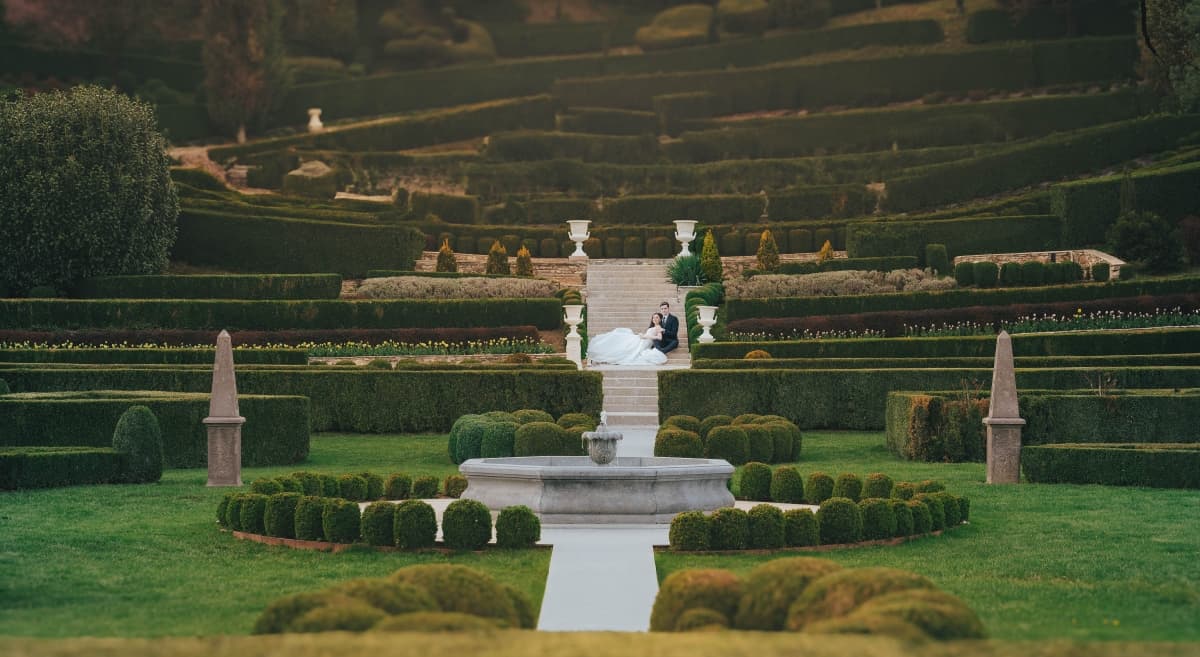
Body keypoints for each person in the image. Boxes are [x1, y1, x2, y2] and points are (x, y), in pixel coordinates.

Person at [585, 313, 669, 366]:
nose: (654, 319)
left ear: (660, 319)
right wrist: (643, 335)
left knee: (626, 347)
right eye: (653, 317)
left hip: (644, 343)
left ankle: (603, 359)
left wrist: (646, 336)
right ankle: (602, 357)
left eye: (657, 317)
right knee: (622, 339)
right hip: (642, 340)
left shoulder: (658, 327)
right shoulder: (653, 327)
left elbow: (659, 338)